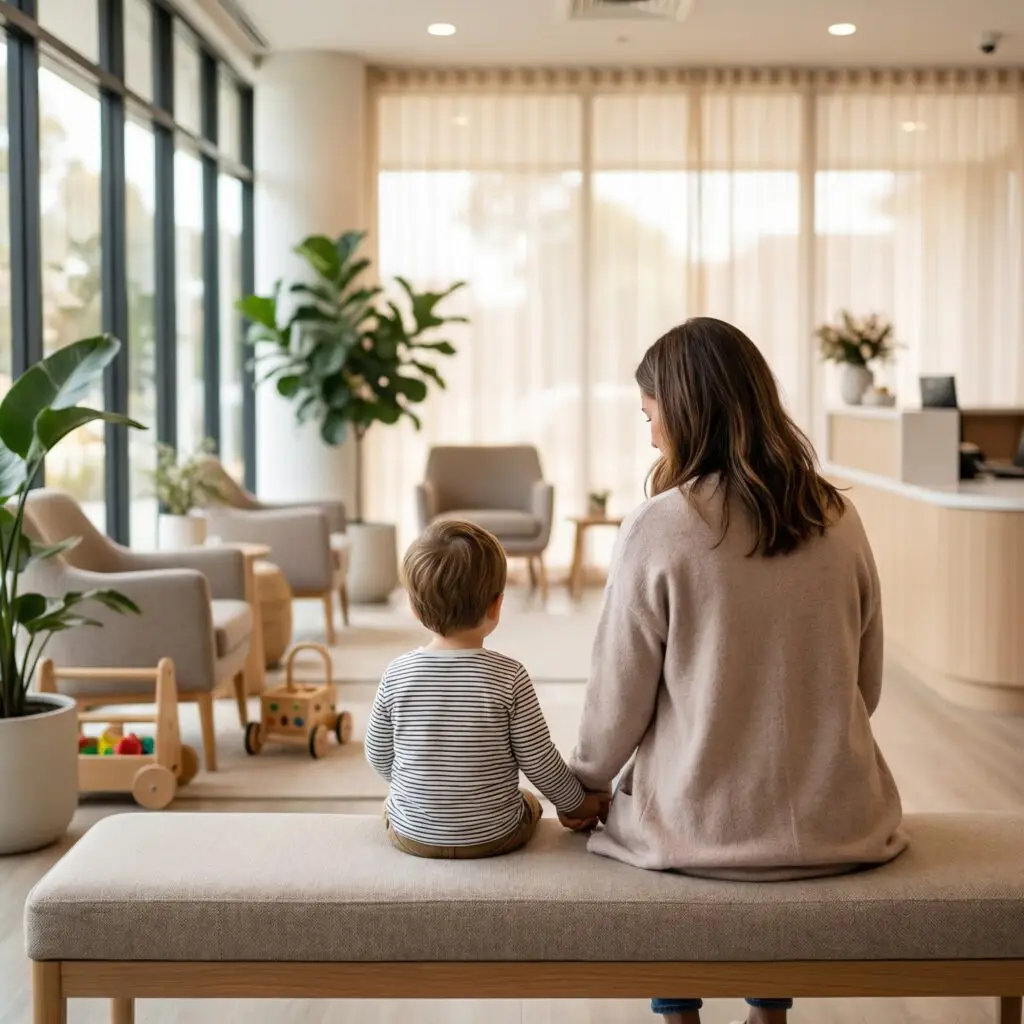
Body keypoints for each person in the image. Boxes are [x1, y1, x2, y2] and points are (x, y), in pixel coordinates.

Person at [565, 317, 908, 1024]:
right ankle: (769, 1012)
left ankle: (678, 1014)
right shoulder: (839, 516)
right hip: (840, 824)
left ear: (685, 412)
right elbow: (865, 687)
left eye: (651, 417)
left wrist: (586, 784)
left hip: (697, 836)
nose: (651, 437)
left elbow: (618, 702)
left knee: (658, 807)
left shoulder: (657, 527)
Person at [366, 518, 608, 859]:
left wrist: (425, 789)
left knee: (391, 804)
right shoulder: (509, 677)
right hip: (495, 837)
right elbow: (539, 760)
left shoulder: (396, 674)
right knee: (527, 800)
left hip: (413, 837)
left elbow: (378, 755)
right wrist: (577, 804)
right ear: (496, 606)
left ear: (414, 609)